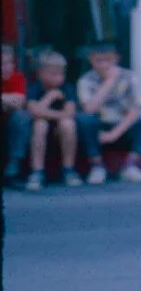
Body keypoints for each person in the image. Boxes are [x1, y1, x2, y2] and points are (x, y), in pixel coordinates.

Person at [76, 43, 141, 184]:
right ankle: (97, 167)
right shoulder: (86, 80)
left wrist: (113, 134)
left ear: (116, 59)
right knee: (83, 119)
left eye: (108, 60)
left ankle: (131, 167)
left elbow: (134, 111)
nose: (104, 65)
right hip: (99, 131)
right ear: (91, 61)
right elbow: (89, 109)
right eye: (99, 61)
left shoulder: (129, 77)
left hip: (122, 128)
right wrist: (109, 81)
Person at [22, 49, 83, 189]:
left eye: (62, 73)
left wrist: (47, 113)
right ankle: (37, 171)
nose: (59, 78)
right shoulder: (34, 88)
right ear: (40, 74)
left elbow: (70, 113)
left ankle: (69, 169)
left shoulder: (66, 88)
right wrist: (49, 97)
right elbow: (34, 112)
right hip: (37, 132)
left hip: (60, 131)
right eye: (54, 74)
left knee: (68, 124)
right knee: (40, 124)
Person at [2, 45, 27, 184]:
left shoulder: (17, 77)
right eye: (2, 63)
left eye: (9, 62)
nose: (6, 67)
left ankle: (13, 167)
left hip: (10, 123)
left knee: (22, 116)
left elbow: (19, 102)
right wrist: (7, 99)